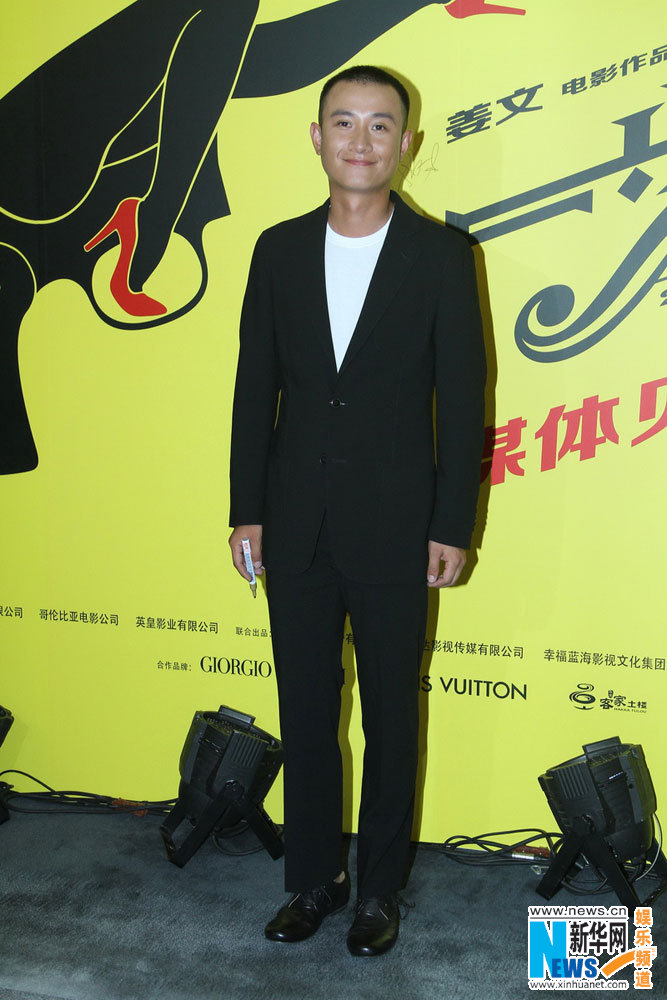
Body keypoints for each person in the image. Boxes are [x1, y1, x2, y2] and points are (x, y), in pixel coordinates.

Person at [228, 65, 486, 957]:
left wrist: (451, 524)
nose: (361, 140)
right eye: (344, 122)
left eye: (381, 125)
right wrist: (246, 510)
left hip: (397, 528)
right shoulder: (277, 250)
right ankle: (312, 879)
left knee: (388, 720)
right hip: (294, 522)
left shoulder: (442, 257)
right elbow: (253, 389)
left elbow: (464, 401)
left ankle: (377, 890)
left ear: (407, 143)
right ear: (316, 136)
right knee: (305, 714)